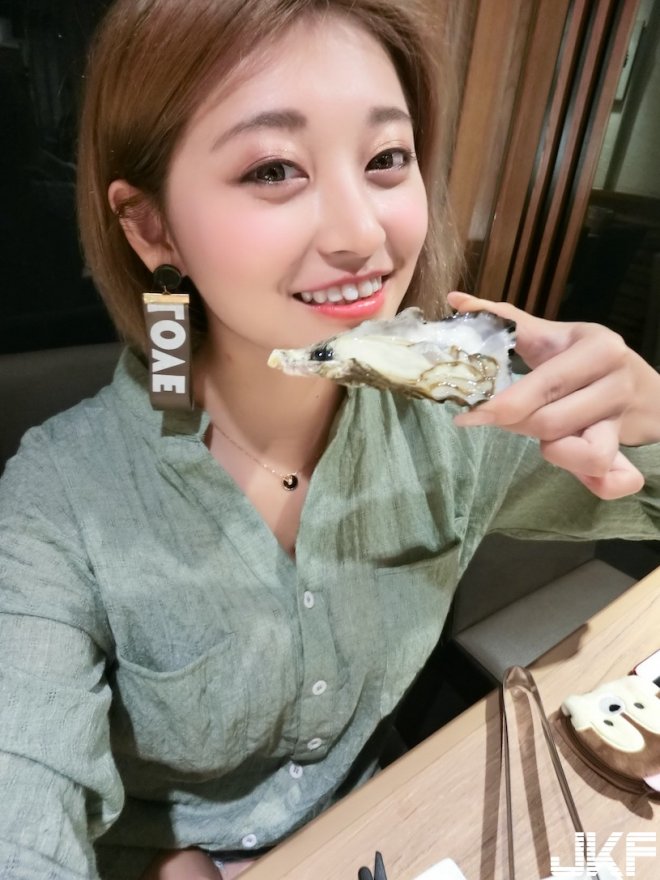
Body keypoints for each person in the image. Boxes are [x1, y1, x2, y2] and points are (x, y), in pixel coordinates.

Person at [0, 0, 659, 878]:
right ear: (152, 226)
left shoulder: (459, 417)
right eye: (273, 168)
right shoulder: (57, 501)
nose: (362, 234)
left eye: (386, 158)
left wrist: (652, 412)